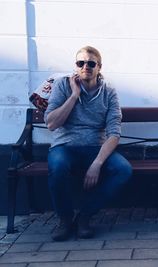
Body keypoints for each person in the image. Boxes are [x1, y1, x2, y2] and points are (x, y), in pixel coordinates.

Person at [44, 46, 132, 241]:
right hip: (64, 146)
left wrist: (97, 164)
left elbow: (114, 133)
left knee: (123, 169)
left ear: (99, 67)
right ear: (75, 67)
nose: (86, 67)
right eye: (80, 63)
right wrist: (74, 96)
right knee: (57, 166)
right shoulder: (62, 86)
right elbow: (51, 123)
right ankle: (65, 220)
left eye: (91, 63)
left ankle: (85, 215)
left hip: (95, 148)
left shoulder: (108, 92)